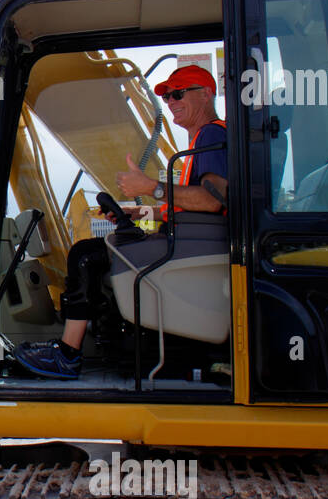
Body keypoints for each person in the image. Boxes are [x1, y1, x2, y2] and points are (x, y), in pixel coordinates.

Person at [14, 64, 227, 379]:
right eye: (167, 97)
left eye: (178, 94)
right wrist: (135, 212)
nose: (171, 103)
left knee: (85, 256)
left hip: (190, 248)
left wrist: (151, 188)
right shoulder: (198, 143)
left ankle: (68, 355)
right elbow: (186, 208)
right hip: (188, 241)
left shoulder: (212, 134)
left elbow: (212, 201)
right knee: (95, 254)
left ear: (206, 93)